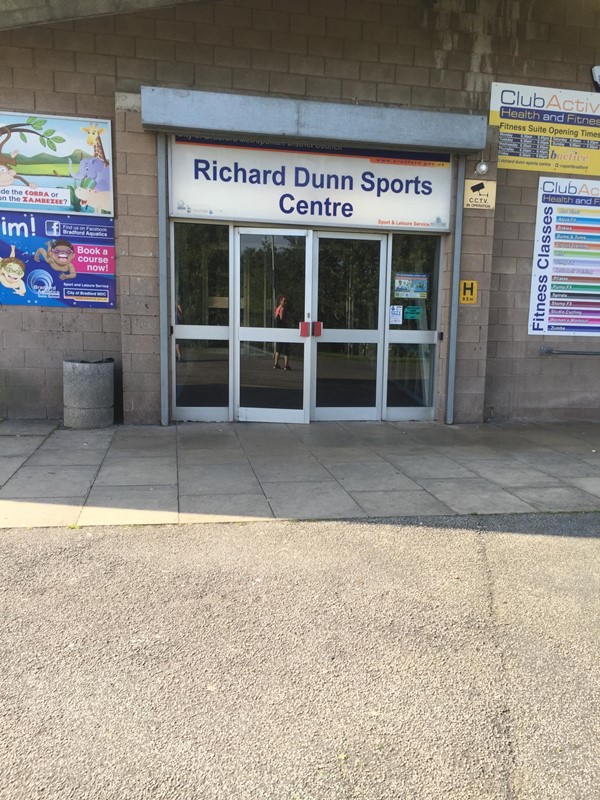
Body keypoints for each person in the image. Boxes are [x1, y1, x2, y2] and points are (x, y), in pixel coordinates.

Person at [273, 295, 291, 370]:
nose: (285, 302)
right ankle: (286, 365)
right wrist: (286, 322)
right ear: (280, 301)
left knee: (278, 347)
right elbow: (281, 318)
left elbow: (276, 318)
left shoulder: (277, 309)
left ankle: (276, 364)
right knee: (286, 347)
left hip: (278, 330)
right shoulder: (282, 308)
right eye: (284, 301)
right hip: (284, 329)